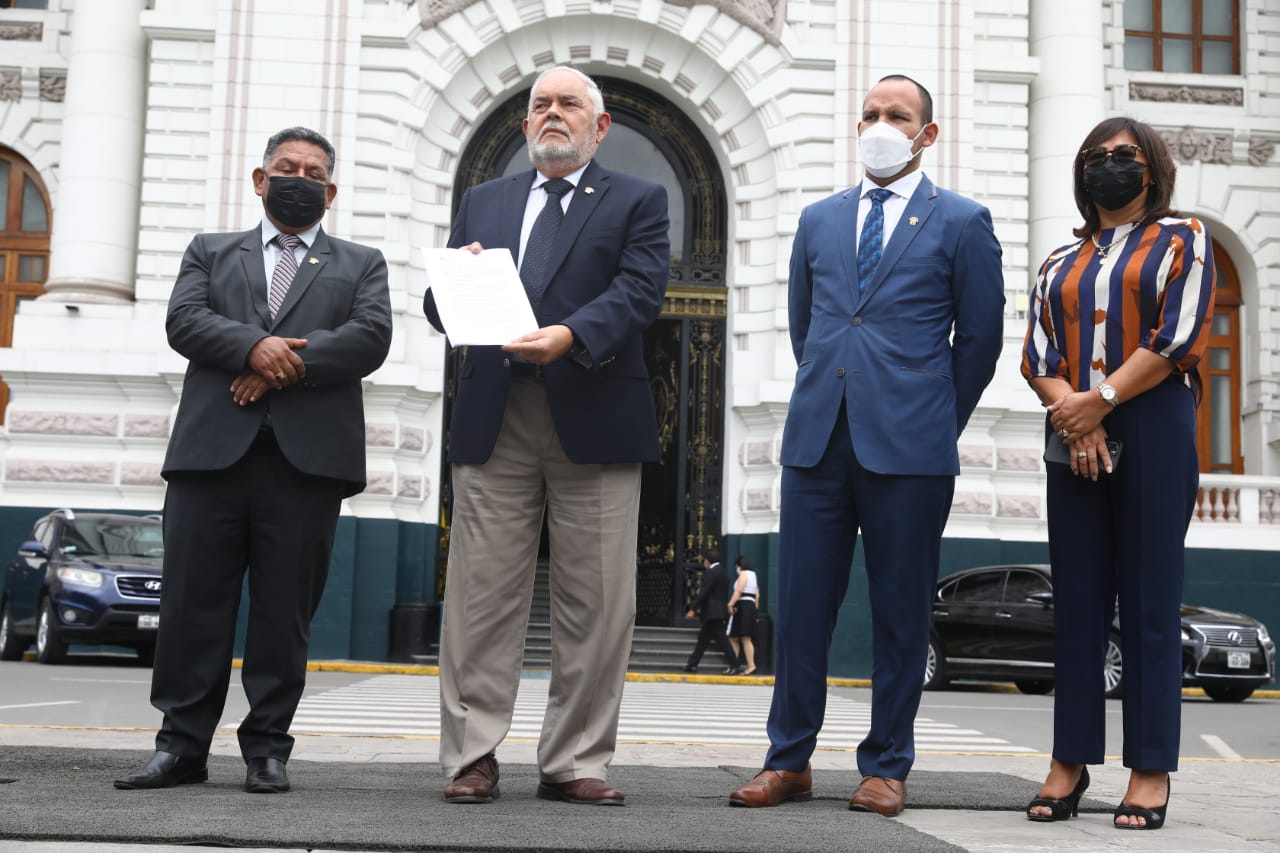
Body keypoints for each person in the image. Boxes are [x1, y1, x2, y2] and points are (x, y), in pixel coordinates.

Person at [728, 74, 1005, 815]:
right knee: (803, 606)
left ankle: (886, 764)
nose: (880, 125)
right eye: (871, 113)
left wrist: (934, 416)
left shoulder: (962, 221)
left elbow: (979, 341)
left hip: (911, 448)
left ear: (927, 134)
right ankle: (788, 759)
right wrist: (835, 386)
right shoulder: (819, 220)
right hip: (818, 440)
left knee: (900, 611)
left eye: (898, 115)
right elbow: (806, 323)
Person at [114, 127, 393, 794]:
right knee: (191, 608)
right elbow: (184, 320)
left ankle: (267, 749)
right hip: (211, 458)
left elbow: (370, 337)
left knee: (282, 614)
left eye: (312, 170)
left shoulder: (361, 262)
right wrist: (252, 347)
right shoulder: (211, 251)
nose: (298, 177)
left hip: (306, 466)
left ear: (330, 191)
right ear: (259, 179)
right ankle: (179, 746)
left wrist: (275, 370)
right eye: (285, 166)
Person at [423, 65, 669, 807]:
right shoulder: (483, 200)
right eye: (539, 105)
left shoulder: (639, 198)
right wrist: (451, 286)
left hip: (593, 411)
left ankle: (575, 758)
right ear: (524, 124)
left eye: (569, 104)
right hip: (494, 415)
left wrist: (571, 333)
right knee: (478, 596)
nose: (551, 114)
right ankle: (472, 753)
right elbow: (440, 309)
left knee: (597, 599)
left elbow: (640, 291)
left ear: (600, 128)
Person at [1020, 117, 1214, 830]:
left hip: (1152, 420)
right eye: (1095, 158)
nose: (1108, 167)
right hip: (1074, 427)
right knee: (1075, 602)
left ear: (1151, 168)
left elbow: (1178, 336)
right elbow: (1040, 354)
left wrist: (1099, 401)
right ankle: (1068, 761)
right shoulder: (1056, 262)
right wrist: (1079, 415)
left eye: (1123, 157)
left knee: (1149, 602)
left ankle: (1150, 769)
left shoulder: (1183, 238)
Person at [682, 549, 741, 674]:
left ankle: (735, 665)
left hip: (712, 612)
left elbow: (704, 592)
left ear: (707, 561)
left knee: (722, 640)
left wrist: (693, 608)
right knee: (703, 640)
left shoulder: (711, 572)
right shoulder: (723, 573)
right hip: (718, 612)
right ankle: (692, 664)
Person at [726, 555, 760, 676]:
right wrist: (755, 612)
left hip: (743, 606)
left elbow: (739, 590)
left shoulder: (744, 573)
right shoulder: (753, 575)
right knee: (737, 637)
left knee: (742, 637)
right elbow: (757, 595)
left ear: (739, 565)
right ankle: (734, 664)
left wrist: (730, 603)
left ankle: (749, 665)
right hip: (749, 607)